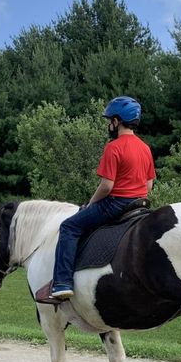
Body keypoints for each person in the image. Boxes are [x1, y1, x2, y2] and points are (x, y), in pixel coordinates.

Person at [45, 96, 155, 302]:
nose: (108, 125)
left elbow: (107, 186)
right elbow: (149, 185)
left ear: (117, 121)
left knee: (69, 227)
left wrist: (91, 203)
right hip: (140, 203)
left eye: (110, 120)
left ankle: (61, 284)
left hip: (116, 203)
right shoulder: (145, 148)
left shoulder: (114, 147)